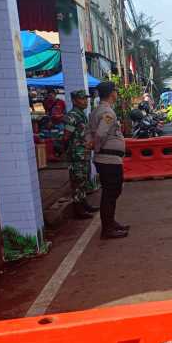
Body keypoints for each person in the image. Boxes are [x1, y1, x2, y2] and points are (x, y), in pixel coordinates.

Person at [89, 81, 129, 240]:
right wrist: (96, 147)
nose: (117, 94)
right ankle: (107, 229)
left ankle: (110, 223)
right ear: (112, 93)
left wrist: (92, 145)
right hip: (108, 159)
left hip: (107, 159)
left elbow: (88, 132)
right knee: (111, 193)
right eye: (116, 91)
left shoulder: (96, 111)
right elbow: (100, 134)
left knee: (111, 192)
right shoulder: (107, 113)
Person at [63, 90, 99, 219]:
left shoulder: (81, 114)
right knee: (77, 182)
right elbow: (66, 136)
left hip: (84, 153)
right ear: (74, 101)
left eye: (86, 98)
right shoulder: (72, 116)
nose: (85, 101)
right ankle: (79, 210)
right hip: (76, 155)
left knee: (83, 180)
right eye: (82, 99)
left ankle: (84, 204)